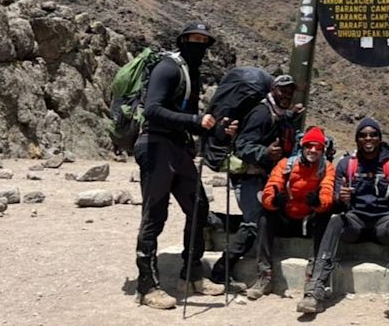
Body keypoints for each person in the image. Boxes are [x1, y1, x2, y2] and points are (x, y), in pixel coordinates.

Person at [134, 22, 226, 309]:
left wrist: (215, 128)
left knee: (198, 207)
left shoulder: (191, 72)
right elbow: (153, 109)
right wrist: (194, 121)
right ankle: (147, 287)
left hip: (178, 148)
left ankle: (191, 274)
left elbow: (187, 119)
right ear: (183, 41)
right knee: (154, 216)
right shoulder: (169, 67)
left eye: (204, 41)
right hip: (156, 146)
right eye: (195, 40)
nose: (200, 45)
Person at [297, 117, 389, 317]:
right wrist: (341, 199)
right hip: (355, 221)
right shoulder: (346, 165)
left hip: (382, 223)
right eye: (362, 135)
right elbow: (334, 205)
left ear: (380, 138)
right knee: (335, 221)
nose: (368, 139)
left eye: (372, 135)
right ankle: (316, 289)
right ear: (356, 140)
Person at [210, 74, 304, 286]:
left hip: (259, 177)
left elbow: (279, 122)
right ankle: (220, 271)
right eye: (283, 90)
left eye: (290, 91)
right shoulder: (261, 113)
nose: (287, 94)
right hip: (248, 177)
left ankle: (213, 220)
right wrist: (265, 152)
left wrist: (292, 115)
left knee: (263, 218)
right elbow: (242, 145)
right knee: (253, 223)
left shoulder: (276, 113)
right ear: (273, 90)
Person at [245, 126, 335, 300]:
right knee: (265, 216)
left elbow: (328, 193)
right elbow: (270, 189)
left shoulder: (327, 168)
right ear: (303, 146)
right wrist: (273, 201)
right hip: (286, 217)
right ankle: (265, 275)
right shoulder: (285, 164)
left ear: (323, 150)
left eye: (318, 147)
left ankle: (313, 276)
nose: (313, 150)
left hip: (308, 220)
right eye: (310, 146)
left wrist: (319, 203)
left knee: (325, 216)